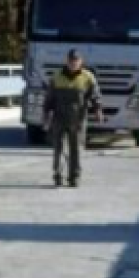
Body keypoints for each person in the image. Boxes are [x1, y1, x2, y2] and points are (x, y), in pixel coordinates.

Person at [44, 49, 100, 188]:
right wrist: (46, 114)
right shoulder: (56, 77)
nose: (73, 63)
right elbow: (49, 98)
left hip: (78, 119)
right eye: (71, 60)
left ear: (81, 62)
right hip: (59, 118)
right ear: (66, 61)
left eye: (76, 61)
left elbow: (95, 95)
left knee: (76, 149)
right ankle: (58, 175)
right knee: (59, 148)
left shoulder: (88, 77)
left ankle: (74, 177)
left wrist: (98, 109)